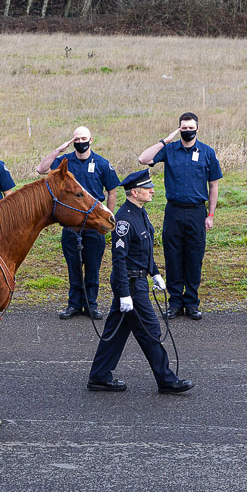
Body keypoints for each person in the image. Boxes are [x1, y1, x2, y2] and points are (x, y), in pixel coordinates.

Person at [87, 169, 193, 394]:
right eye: (147, 188)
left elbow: (144, 250)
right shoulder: (124, 219)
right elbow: (120, 258)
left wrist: (154, 273)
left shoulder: (140, 212)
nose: (152, 191)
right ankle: (166, 380)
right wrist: (125, 293)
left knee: (116, 331)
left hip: (139, 280)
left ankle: (99, 376)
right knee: (150, 330)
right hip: (131, 284)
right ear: (134, 192)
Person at [138, 112, 222, 320]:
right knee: (173, 257)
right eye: (183, 128)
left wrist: (210, 214)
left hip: (196, 212)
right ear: (178, 129)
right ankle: (175, 302)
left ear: (197, 128)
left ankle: (192, 302)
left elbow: (214, 185)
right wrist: (165, 140)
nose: (187, 131)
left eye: (190, 127)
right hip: (174, 211)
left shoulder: (207, 153)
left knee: (194, 258)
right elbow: (144, 159)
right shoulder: (169, 150)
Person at [36, 126, 119, 320]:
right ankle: (74, 304)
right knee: (73, 267)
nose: (81, 142)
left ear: (91, 140)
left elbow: (112, 190)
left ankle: (91, 305)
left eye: (84, 139)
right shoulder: (64, 164)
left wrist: (108, 215)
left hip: (94, 224)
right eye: (77, 139)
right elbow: (41, 169)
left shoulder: (101, 163)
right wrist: (59, 150)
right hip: (71, 225)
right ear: (72, 141)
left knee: (92, 267)